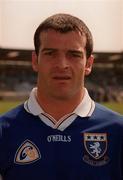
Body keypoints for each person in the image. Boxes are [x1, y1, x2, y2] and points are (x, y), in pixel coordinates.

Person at [0, 13, 123, 180]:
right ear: (35, 61)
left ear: (88, 64)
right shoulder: (4, 130)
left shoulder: (118, 131)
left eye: (74, 55)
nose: (62, 65)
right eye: (50, 53)